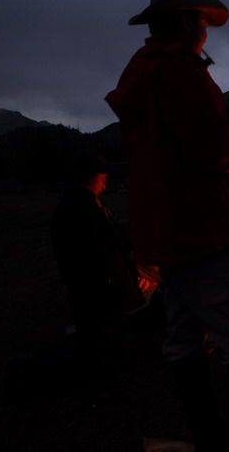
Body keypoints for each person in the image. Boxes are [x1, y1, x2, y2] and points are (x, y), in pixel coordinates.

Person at [105, 0, 229, 452]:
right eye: (202, 21)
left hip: (169, 232)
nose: (205, 31)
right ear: (186, 22)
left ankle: (206, 435)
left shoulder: (143, 71)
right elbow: (211, 148)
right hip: (202, 229)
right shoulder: (179, 72)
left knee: (184, 338)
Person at [50, 154, 145, 368]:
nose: (105, 182)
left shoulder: (82, 202)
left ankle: (105, 357)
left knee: (101, 324)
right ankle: (105, 364)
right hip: (96, 283)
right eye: (102, 177)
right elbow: (108, 239)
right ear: (90, 177)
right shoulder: (82, 207)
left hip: (90, 282)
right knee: (104, 326)